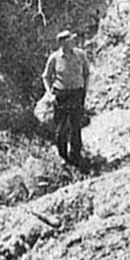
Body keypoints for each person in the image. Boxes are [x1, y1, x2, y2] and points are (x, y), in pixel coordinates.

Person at [42, 30, 90, 168]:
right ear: (62, 43)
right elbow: (46, 76)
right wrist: (50, 94)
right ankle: (63, 156)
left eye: (72, 40)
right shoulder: (54, 58)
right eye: (69, 40)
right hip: (61, 96)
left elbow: (86, 73)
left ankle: (76, 156)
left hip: (77, 94)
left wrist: (84, 90)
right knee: (61, 128)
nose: (72, 42)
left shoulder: (80, 55)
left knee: (76, 126)